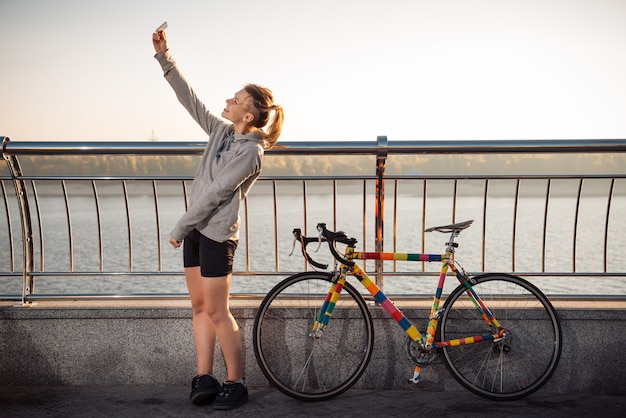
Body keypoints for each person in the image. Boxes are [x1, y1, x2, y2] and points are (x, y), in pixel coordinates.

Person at [152, 27, 283, 410]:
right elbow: (189, 100)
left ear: (248, 114)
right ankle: (205, 376)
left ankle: (235, 382)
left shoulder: (250, 152)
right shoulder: (221, 131)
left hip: (215, 235)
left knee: (217, 311)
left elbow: (215, 194)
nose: (227, 100)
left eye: (236, 98)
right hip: (195, 230)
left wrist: (179, 227)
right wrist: (165, 57)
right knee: (198, 307)